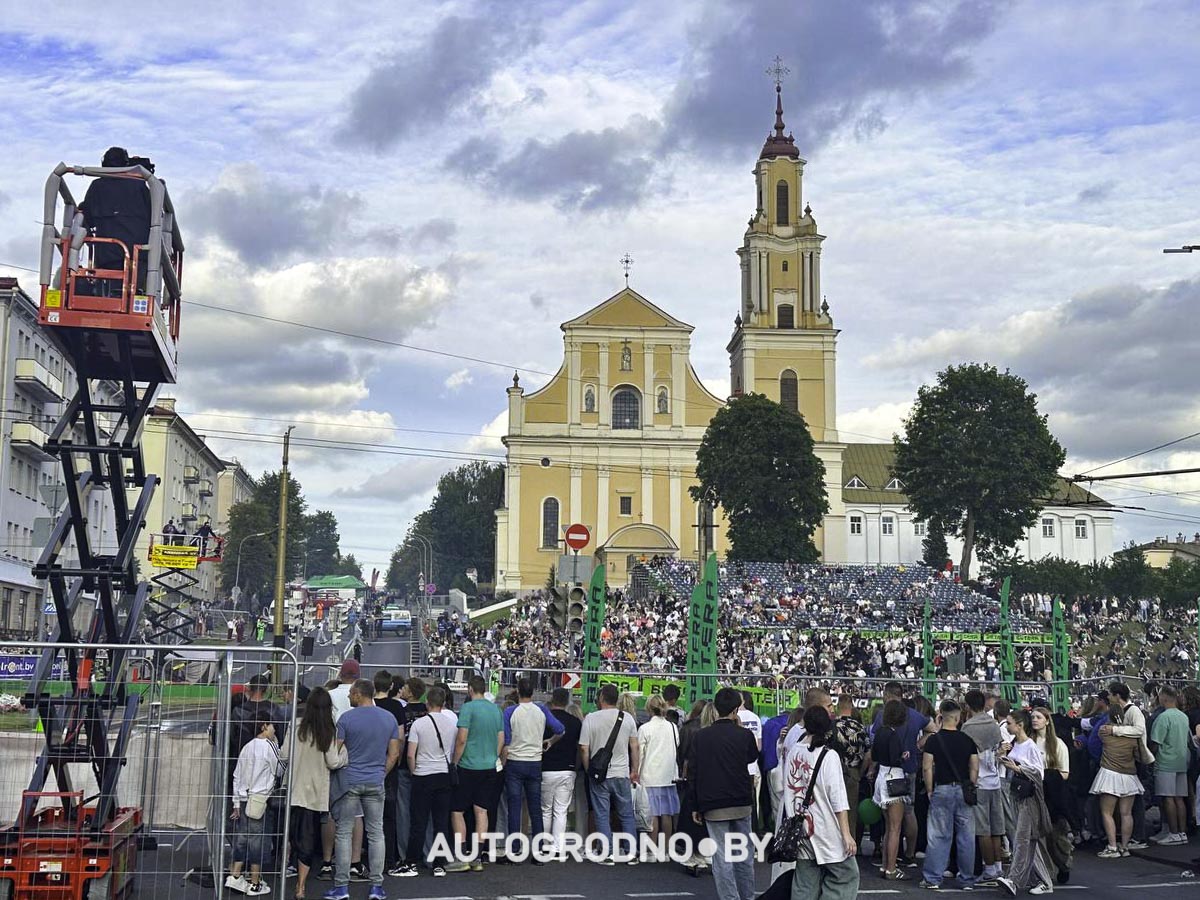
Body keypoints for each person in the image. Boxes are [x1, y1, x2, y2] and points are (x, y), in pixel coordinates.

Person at [325, 679, 400, 900]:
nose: (349, 696)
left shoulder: (346, 719)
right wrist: (382, 773)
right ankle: (376, 885)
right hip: (375, 779)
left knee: (344, 832)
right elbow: (394, 753)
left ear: (358, 694)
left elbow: (336, 752)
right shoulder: (389, 718)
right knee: (376, 832)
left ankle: (341, 886)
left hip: (350, 780)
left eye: (351, 693)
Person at [688, 687, 760, 900]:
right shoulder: (744, 735)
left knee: (722, 857)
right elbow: (752, 757)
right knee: (743, 854)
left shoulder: (701, 737)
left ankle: (730, 897)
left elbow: (693, 772)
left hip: (712, 803)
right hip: (741, 801)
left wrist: (695, 805)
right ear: (736, 709)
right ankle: (747, 896)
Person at [785, 705, 859, 900]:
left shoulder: (794, 751)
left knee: (805, 882)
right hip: (825, 829)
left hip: (799, 827)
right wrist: (846, 834)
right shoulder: (829, 755)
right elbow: (838, 799)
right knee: (845, 875)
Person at [288, 687, 345, 900]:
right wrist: (344, 754)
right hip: (314, 791)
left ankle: (287, 868)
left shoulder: (295, 726)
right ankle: (301, 886)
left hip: (293, 788)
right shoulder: (328, 731)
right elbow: (333, 761)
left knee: (291, 834)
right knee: (307, 839)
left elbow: (284, 754)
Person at [447, 676, 505, 871]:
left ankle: (461, 855)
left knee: (457, 811)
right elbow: (501, 738)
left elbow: (461, 739)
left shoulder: (468, 708)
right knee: (481, 811)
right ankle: (477, 857)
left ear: (470, 689)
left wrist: (454, 762)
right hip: (489, 766)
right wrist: (493, 756)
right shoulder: (496, 710)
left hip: (468, 765)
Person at [399, 686, 458, 878]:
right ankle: (439, 864)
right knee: (441, 822)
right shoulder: (451, 725)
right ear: (443, 703)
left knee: (419, 822)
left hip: (423, 774)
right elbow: (452, 750)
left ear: (427, 702)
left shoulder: (419, 724)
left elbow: (410, 754)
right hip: (443, 775)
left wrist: (414, 771)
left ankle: (411, 862)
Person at [502, 678, 565, 855]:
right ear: (533, 692)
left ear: (517, 691)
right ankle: (538, 849)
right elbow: (560, 729)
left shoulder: (509, 712)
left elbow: (506, 741)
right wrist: (550, 741)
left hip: (515, 761)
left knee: (514, 808)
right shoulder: (541, 710)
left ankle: (514, 849)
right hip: (535, 762)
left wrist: (503, 763)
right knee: (535, 808)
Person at [920, 700, 978, 890]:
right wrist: (971, 785)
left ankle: (933, 878)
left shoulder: (933, 740)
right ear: (958, 718)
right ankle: (967, 879)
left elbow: (927, 767)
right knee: (966, 837)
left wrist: (929, 789)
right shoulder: (967, 740)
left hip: (942, 789)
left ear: (941, 717)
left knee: (939, 836)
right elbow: (974, 767)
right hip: (964, 790)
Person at [580, 683, 641, 863]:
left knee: (601, 814)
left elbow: (584, 748)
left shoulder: (590, 718)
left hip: (600, 774)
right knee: (626, 814)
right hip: (622, 772)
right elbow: (635, 746)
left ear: (601, 698)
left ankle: (607, 853)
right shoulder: (627, 718)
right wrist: (634, 770)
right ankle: (631, 852)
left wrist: (588, 769)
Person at [997, 709, 1054, 897]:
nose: (1007, 726)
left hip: (1029, 799)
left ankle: (1014, 879)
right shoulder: (1014, 743)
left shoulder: (1030, 746)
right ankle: (1044, 881)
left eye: (1010, 723)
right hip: (1017, 795)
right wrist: (1001, 754)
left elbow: (1039, 773)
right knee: (1029, 841)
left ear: (1020, 725)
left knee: (1022, 839)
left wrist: (1017, 768)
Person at [228, 714, 284, 897]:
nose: (274, 729)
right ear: (264, 726)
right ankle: (255, 882)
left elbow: (237, 775)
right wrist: (277, 746)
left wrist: (236, 802)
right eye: (272, 726)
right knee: (257, 841)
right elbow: (280, 769)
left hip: (244, 798)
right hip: (260, 799)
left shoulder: (247, 746)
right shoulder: (269, 746)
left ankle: (235, 875)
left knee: (243, 838)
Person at [962, 690, 1006, 884]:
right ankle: (997, 867)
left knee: (983, 830)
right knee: (996, 828)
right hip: (995, 781)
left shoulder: (968, 727)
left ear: (967, 706)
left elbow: (966, 756)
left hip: (979, 781)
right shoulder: (994, 724)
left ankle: (988, 869)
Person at [1091, 704, 1143, 858]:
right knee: (1126, 813)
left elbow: (1096, 738)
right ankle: (1125, 847)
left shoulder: (1104, 732)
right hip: (1129, 776)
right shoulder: (1132, 737)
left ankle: (1112, 846)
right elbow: (1138, 755)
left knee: (1107, 813)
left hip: (1109, 774)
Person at [868, 699, 912, 880]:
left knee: (888, 827)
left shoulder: (879, 732)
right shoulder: (894, 735)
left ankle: (885, 865)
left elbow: (874, 755)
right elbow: (895, 759)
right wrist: (904, 756)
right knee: (895, 828)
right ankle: (892, 869)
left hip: (881, 776)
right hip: (894, 777)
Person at [1031, 707, 1073, 881]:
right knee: (1036, 836)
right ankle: (1043, 872)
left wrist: (1047, 775)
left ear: (1047, 721)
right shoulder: (1028, 743)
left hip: (1053, 795)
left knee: (1055, 837)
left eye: (1038, 717)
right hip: (1032, 794)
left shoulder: (1058, 744)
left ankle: (1063, 864)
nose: (1034, 720)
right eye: (1033, 717)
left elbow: (1065, 772)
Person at [371, 672, 407, 877]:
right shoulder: (396, 707)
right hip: (390, 764)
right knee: (389, 815)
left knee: (368, 814)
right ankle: (389, 858)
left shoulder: (369, 706)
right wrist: (396, 760)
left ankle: (370, 856)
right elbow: (400, 738)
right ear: (391, 686)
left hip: (370, 762)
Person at [540, 688, 582, 852]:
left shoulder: (544, 720)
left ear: (552, 699)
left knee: (545, 810)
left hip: (546, 768)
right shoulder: (575, 722)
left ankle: (544, 846)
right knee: (561, 811)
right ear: (567, 701)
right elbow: (579, 747)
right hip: (567, 769)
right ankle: (558, 848)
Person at [1149, 685, 1189, 845]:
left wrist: (1150, 757)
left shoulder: (1163, 717)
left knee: (1168, 798)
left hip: (1165, 762)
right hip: (1181, 761)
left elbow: (1156, 742)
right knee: (1180, 798)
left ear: (1163, 697)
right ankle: (1182, 832)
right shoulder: (1183, 716)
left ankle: (1173, 833)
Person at [639, 694, 681, 842]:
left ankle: (652, 847)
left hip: (649, 776)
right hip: (668, 775)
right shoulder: (673, 727)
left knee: (652, 815)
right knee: (666, 814)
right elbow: (676, 745)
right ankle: (666, 848)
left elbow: (641, 754)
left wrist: (636, 773)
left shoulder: (645, 728)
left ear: (648, 708)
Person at [832, 695, 869, 841]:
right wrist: (860, 772)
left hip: (834, 772)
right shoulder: (860, 728)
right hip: (853, 772)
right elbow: (868, 754)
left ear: (838, 706)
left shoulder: (832, 726)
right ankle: (851, 843)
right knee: (851, 812)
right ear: (852, 706)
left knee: (833, 810)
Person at [737, 692, 763, 829]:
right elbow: (759, 747)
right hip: (753, 767)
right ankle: (755, 832)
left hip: (738, 767)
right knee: (754, 803)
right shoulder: (755, 718)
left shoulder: (734, 717)